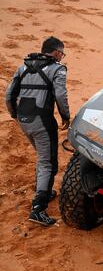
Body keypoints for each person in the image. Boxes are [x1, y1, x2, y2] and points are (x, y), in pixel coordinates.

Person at [5, 36, 70, 227]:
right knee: (48, 163)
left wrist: (14, 115)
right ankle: (38, 209)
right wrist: (65, 116)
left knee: (43, 158)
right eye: (62, 53)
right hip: (42, 121)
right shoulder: (58, 69)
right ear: (57, 52)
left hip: (24, 120)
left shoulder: (23, 67)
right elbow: (60, 94)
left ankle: (46, 192)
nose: (62, 57)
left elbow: (9, 95)